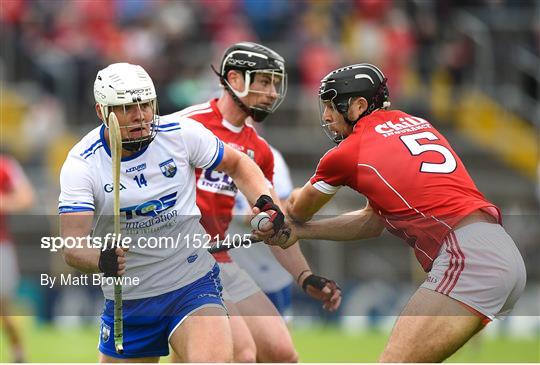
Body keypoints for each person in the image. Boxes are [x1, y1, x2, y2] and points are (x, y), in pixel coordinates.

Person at [264, 63, 527, 362]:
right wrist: (300, 232)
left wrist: (286, 203)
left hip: (466, 256)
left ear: (359, 105)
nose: (326, 116)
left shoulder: (349, 151)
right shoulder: (418, 123)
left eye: (331, 105)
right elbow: (373, 222)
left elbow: (299, 210)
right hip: (500, 249)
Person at [58, 62, 289, 362]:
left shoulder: (180, 134)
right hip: (130, 301)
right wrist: (101, 259)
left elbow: (238, 164)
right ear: (103, 112)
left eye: (145, 105)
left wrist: (265, 200)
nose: (140, 115)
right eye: (127, 108)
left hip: (191, 283)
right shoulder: (82, 164)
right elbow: (71, 244)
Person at [168, 42, 341, 363]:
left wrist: (305, 276)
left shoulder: (260, 152)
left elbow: (278, 225)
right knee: (241, 353)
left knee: (281, 354)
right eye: (264, 82)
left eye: (275, 83)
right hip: (178, 259)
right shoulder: (186, 125)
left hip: (218, 258)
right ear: (234, 80)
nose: (273, 92)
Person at [230, 146, 294, 321]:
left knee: (279, 345)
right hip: (225, 265)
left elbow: (282, 209)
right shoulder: (207, 150)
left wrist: (253, 215)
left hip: (266, 266)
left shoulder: (270, 155)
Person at [0, 154, 35, 363]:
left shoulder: (4, 165)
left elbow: (26, 197)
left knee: (3, 307)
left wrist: (3, 202)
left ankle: (18, 352)